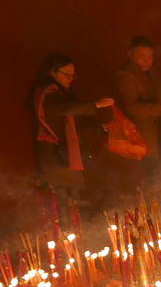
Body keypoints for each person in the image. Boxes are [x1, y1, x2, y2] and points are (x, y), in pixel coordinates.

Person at [30, 53, 114, 195]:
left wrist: (100, 127)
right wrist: (94, 105)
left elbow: (77, 121)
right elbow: (64, 109)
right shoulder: (48, 92)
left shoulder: (65, 93)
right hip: (54, 157)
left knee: (73, 200)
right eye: (66, 75)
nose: (70, 79)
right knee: (60, 201)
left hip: (68, 155)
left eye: (72, 76)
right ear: (52, 72)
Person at [114, 36, 161, 176]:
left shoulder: (151, 74)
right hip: (139, 140)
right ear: (130, 54)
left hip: (159, 137)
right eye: (141, 57)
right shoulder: (125, 75)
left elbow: (158, 100)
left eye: (150, 57)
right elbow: (131, 107)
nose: (147, 61)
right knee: (148, 179)